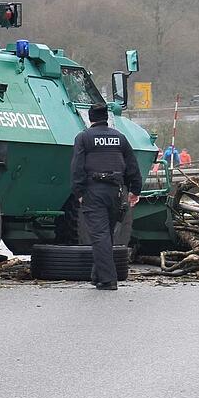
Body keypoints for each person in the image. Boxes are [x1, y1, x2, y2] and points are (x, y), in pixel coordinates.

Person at [71, 103, 142, 290]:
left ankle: (108, 279)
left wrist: (78, 192)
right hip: (116, 192)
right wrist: (135, 190)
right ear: (107, 118)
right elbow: (132, 166)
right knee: (105, 234)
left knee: (99, 234)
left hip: (94, 191)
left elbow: (77, 167)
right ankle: (97, 275)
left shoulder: (83, 137)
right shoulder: (120, 138)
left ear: (90, 118)